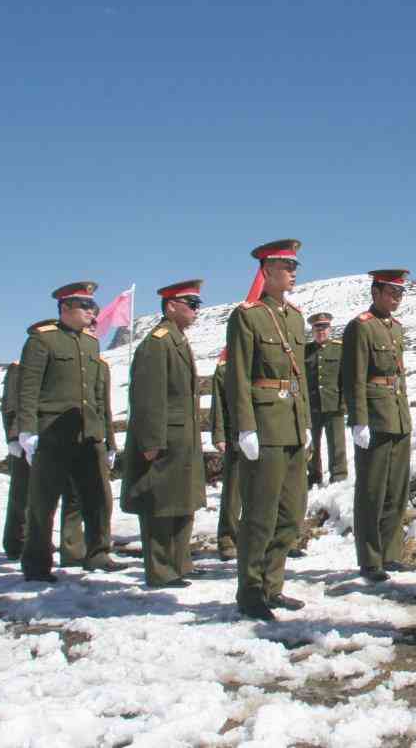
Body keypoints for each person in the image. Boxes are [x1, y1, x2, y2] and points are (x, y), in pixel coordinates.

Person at [225, 240, 312, 620]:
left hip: (291, 425)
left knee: (292, 513)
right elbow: (238, 375)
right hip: (263, 424)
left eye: (295, 265)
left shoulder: (294, 317)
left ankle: (273, 584)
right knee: (260, 515)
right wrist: (245, 427)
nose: (294, 271)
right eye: (285, 265)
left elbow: (300, 377)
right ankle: (250, 592)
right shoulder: (247, 316)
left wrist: (305, 421)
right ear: (266, 271)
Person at [16, 283, 124, 581]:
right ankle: (37, 564)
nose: (93, 312)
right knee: (43, 501)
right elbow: (28, 388)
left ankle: (98, 553)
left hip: (88, 434)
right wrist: (27, 430)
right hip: (52, 433)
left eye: (94, 307)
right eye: (86, 307)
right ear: (65, 308)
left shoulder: (91, 344)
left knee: (98, 498)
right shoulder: (43, 341)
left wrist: (108, 438)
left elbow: (98, 397)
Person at [120, 281, 207, 588]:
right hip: (164, 440)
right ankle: (160, 570)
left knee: (182, 502)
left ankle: (180, 563)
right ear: (171, 306)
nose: (197, 310)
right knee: (159, 505)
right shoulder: (158, 343)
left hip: (182, 439)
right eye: (191, 304)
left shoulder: (176, 340)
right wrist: (151, 442)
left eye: (197, 304)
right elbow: (147, 397)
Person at [343, 270, 413, 582]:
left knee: (396, 490)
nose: (396, 298)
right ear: (375, 291)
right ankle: (370, 559)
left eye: (400, 293)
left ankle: (391, 553)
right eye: (391, 292)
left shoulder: (395, 328)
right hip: (375, 416)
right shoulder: (361, 327)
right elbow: (354, 377)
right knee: (372, 489)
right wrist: (359, 420)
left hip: (397, 415)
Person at [305, 312, 348, 487]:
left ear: (330, 329)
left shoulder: (339, 349)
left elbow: (346, 377)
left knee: (337, 443)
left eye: (324, 327)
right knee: (311, 444)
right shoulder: (305, 351)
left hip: (333, 403)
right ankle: (314, 476)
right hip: (312, 405)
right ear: (312, 330)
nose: (321, 331)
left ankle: (338, 476)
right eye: (317, 328)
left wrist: (344, 402)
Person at [211, 348, 240, 561]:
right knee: (233, 491)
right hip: (236, 436)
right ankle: (227, 539)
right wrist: (219, 435)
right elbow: (218, 405)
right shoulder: (225, 369)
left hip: (267, 433)